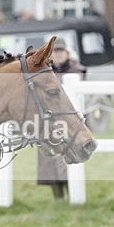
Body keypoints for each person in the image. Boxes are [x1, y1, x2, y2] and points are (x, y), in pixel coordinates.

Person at [37, 37, 85, 198]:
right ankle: (58, 196)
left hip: (70, 122)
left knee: (70, 156)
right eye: (55, 51)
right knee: (49, 159)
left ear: (67, 52)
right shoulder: (45, 73)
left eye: (61, 51)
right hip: (50, 123)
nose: (58, 55)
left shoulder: (77, 70)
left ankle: (73, 193)